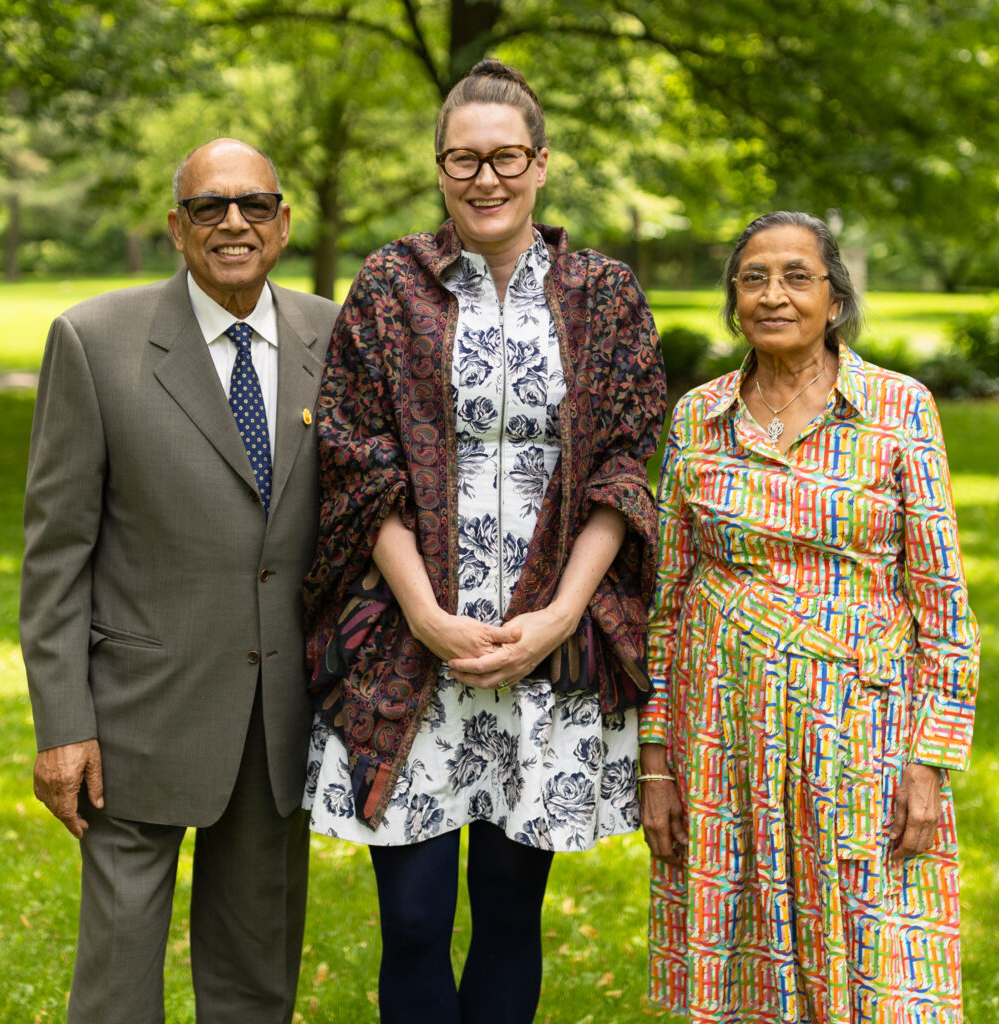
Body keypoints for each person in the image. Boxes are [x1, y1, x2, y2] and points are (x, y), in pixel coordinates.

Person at [301, 59, 665, 1023]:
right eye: (463, 159)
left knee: (510, 915)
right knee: (414, 922)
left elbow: (626, 467)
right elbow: (354, 458)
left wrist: (557, 618)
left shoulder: (604, 294)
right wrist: (425, 615)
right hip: (411, 643)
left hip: (543, 644)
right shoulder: (386, 285)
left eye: (506, 157)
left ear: (542, 164)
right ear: (439, 169)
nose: (485, 178)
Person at [19, 138, 340, 1024]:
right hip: (134, 713)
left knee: (254, 976)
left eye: (253, 205)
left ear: (283, 222)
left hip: (276, 715)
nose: (232, 223)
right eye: (209, 207)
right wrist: (62, 722)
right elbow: (55, 552)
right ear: (176, 226)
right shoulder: (94, 341)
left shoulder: (331, 334)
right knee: (119, 978)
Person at [641, 210, 980, 1023]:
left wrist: (931, 761)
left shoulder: (899, 410)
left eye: (797, 276)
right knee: (742, 958)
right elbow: (667, 600)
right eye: (753, 277)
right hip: (723, 738)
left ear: (835, 300)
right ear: (733, 299)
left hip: (863, 734)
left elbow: (944, 603)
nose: (773, 294)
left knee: (873, 954)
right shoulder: (698, 417)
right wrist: (655, 760)